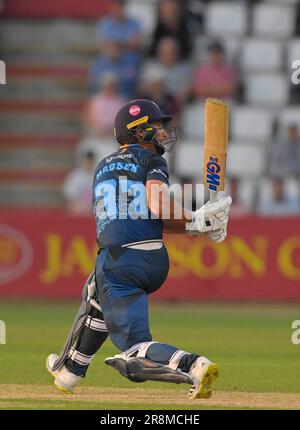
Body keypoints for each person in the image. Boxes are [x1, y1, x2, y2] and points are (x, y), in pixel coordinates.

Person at [46, 99, 232, 399]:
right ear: (139, 131)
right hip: (152, 259)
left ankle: (193, 364)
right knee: (96, 291)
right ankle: (70, 370)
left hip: (120, 259)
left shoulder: (102, 166)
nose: (162, 133)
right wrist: (197, 223)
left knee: (133, 351)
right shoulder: (152, 161)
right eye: (157, 127)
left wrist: (198, 221)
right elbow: (155, 211)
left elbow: (154, 207)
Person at [82, 72, 126, 138]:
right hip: (96, 133)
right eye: (108, 85)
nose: (110, 87)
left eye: (112, 85)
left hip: (114, 136)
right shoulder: (95, 100)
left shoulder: (121, 102)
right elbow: (86, 118)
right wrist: (95, 129)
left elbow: (124, 121)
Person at [62, 151, 96, 215]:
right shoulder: (75, 175)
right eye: (86, 161)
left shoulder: (96, 175)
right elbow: (70, 196)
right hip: (77, 208)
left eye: (89, 161)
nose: (87, 163)